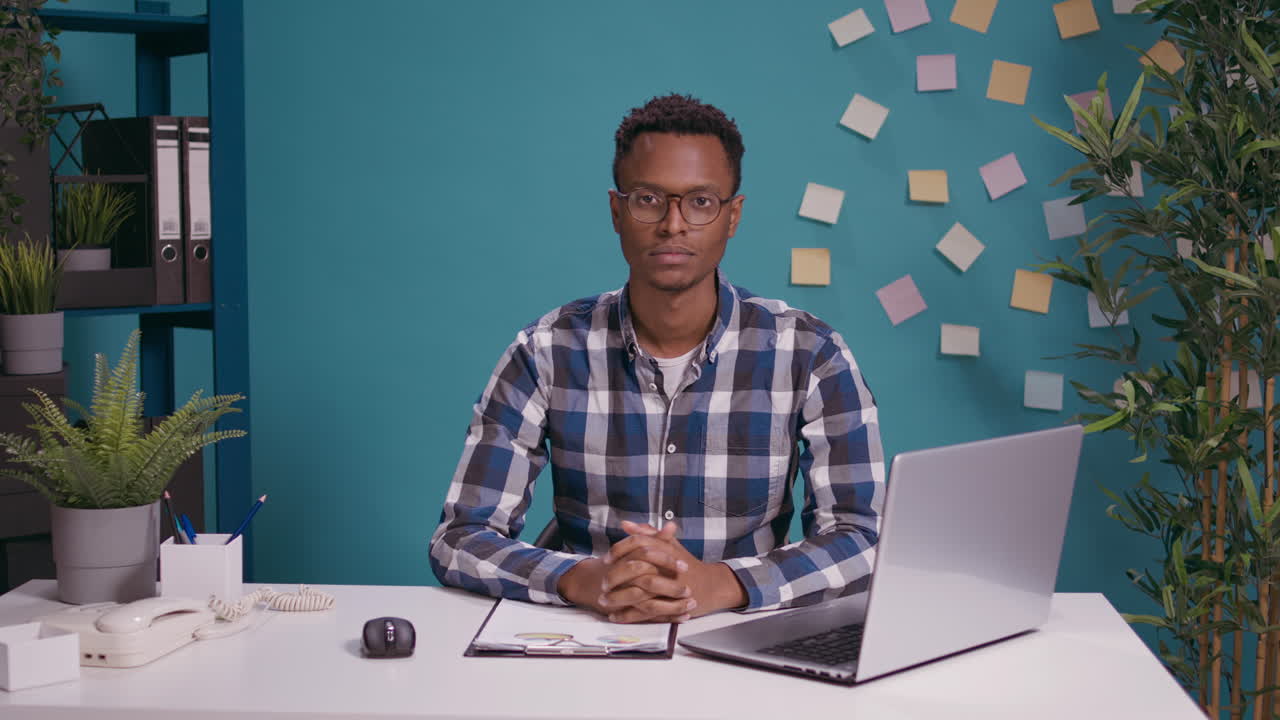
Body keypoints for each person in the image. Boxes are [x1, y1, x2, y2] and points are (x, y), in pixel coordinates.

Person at [429, 93, 884, 624]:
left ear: (732, 216)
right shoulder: (545, 351)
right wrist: (582, 579)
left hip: (736, 629)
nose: (673, 224)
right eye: (648, 200)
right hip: (584, 631)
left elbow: (863, 537)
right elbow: (459, 539)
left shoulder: (810, 353)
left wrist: (723, 583)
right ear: (616, 211)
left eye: (700, 202)